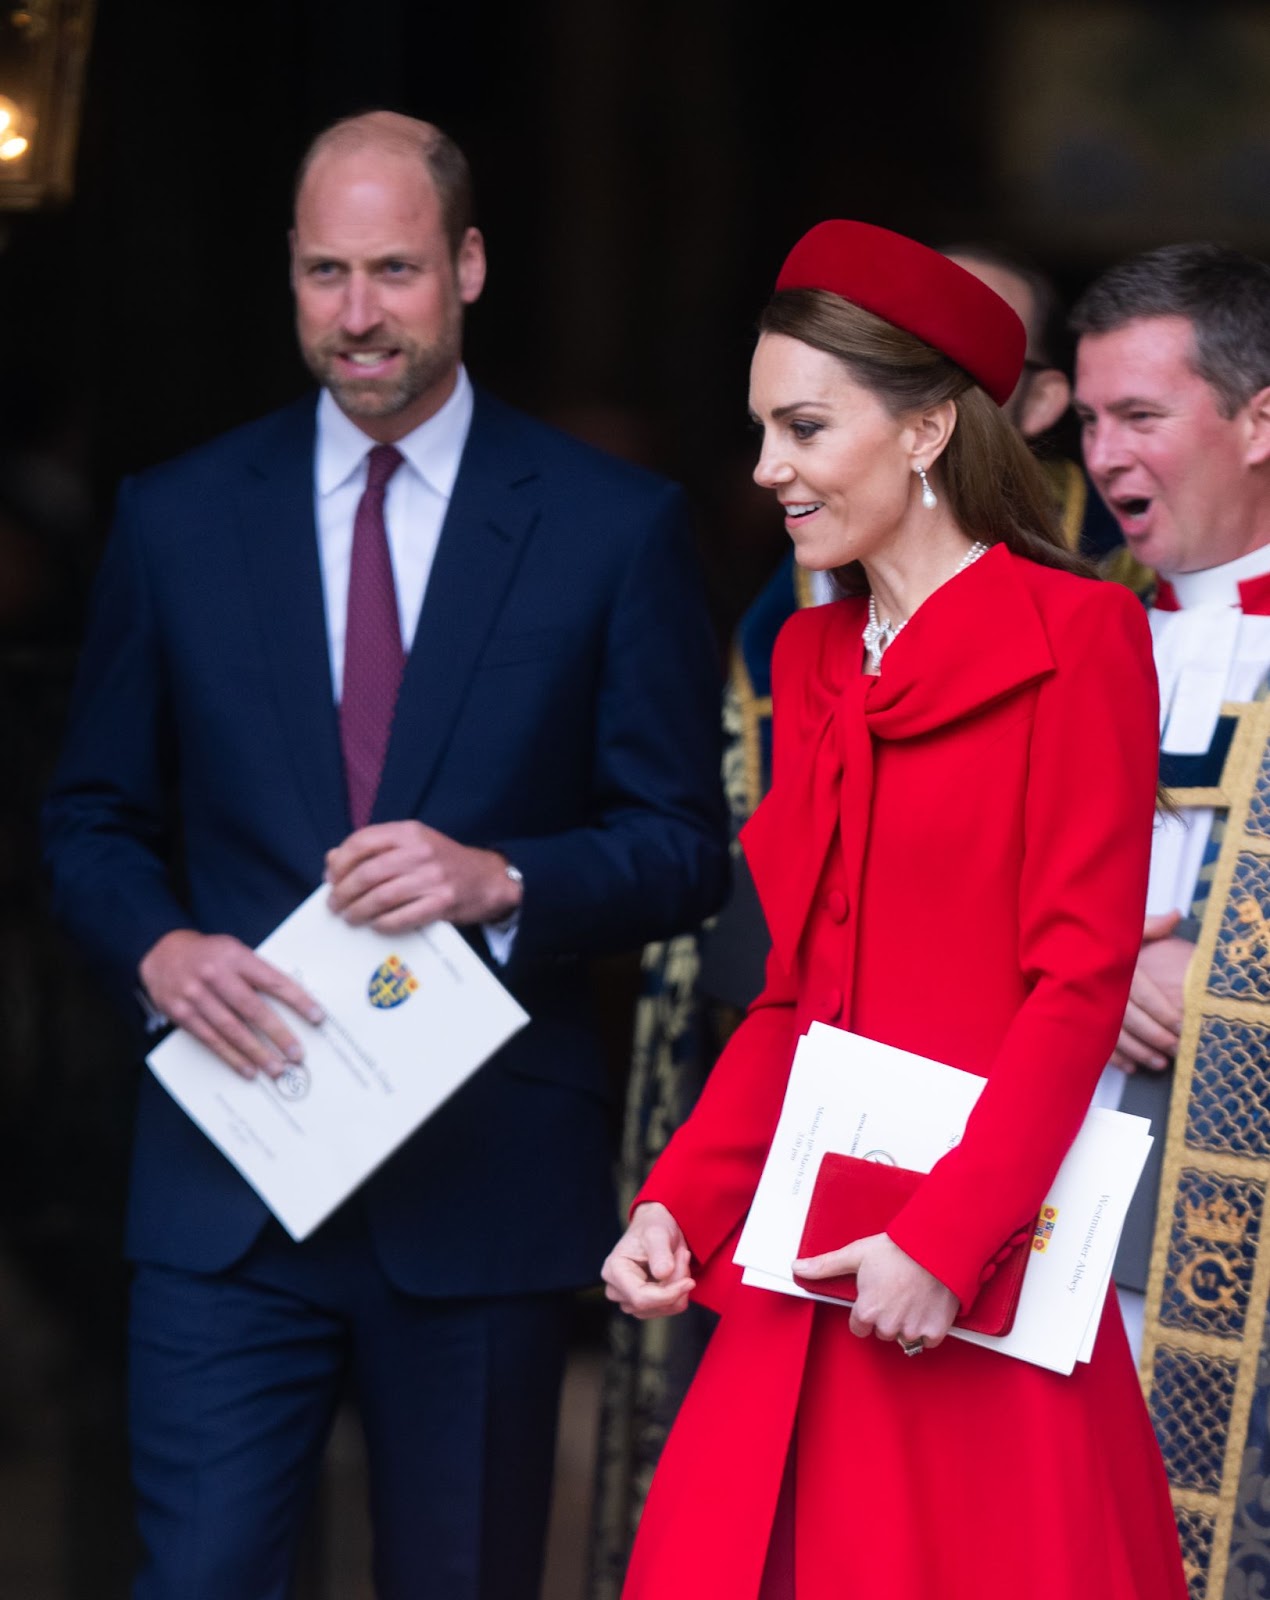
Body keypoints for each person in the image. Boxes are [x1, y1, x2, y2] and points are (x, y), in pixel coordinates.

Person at [40, 111, 729, 1600]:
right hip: (229, 1176)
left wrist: (508, 880)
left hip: (479, 1188)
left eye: (397, 270)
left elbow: (685, 852)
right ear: (289, 277)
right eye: (326, 273)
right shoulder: (176, 519)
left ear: (469, 267)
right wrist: (156, 950)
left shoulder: (611, 528)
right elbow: (90, 817)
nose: (359, 314)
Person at [602, 220, 1186, 1599]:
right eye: (759, 429)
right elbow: (796, 999)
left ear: (926, 428)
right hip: (803, 1264)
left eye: (803, 426)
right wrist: (681, 1205)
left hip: (970, 1277)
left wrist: (943, 1241)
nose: (766, 471)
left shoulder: (1082, 637)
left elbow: (1076, 987)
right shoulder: (807, 657)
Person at [1073, 242, 1270, 1354]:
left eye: (1139, 415)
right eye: (1090, 421)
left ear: (1257, 422)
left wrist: (1228, 972)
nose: (1102, 456)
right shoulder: (1058, 627)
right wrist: (1094, 955)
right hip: (1058, 1180)